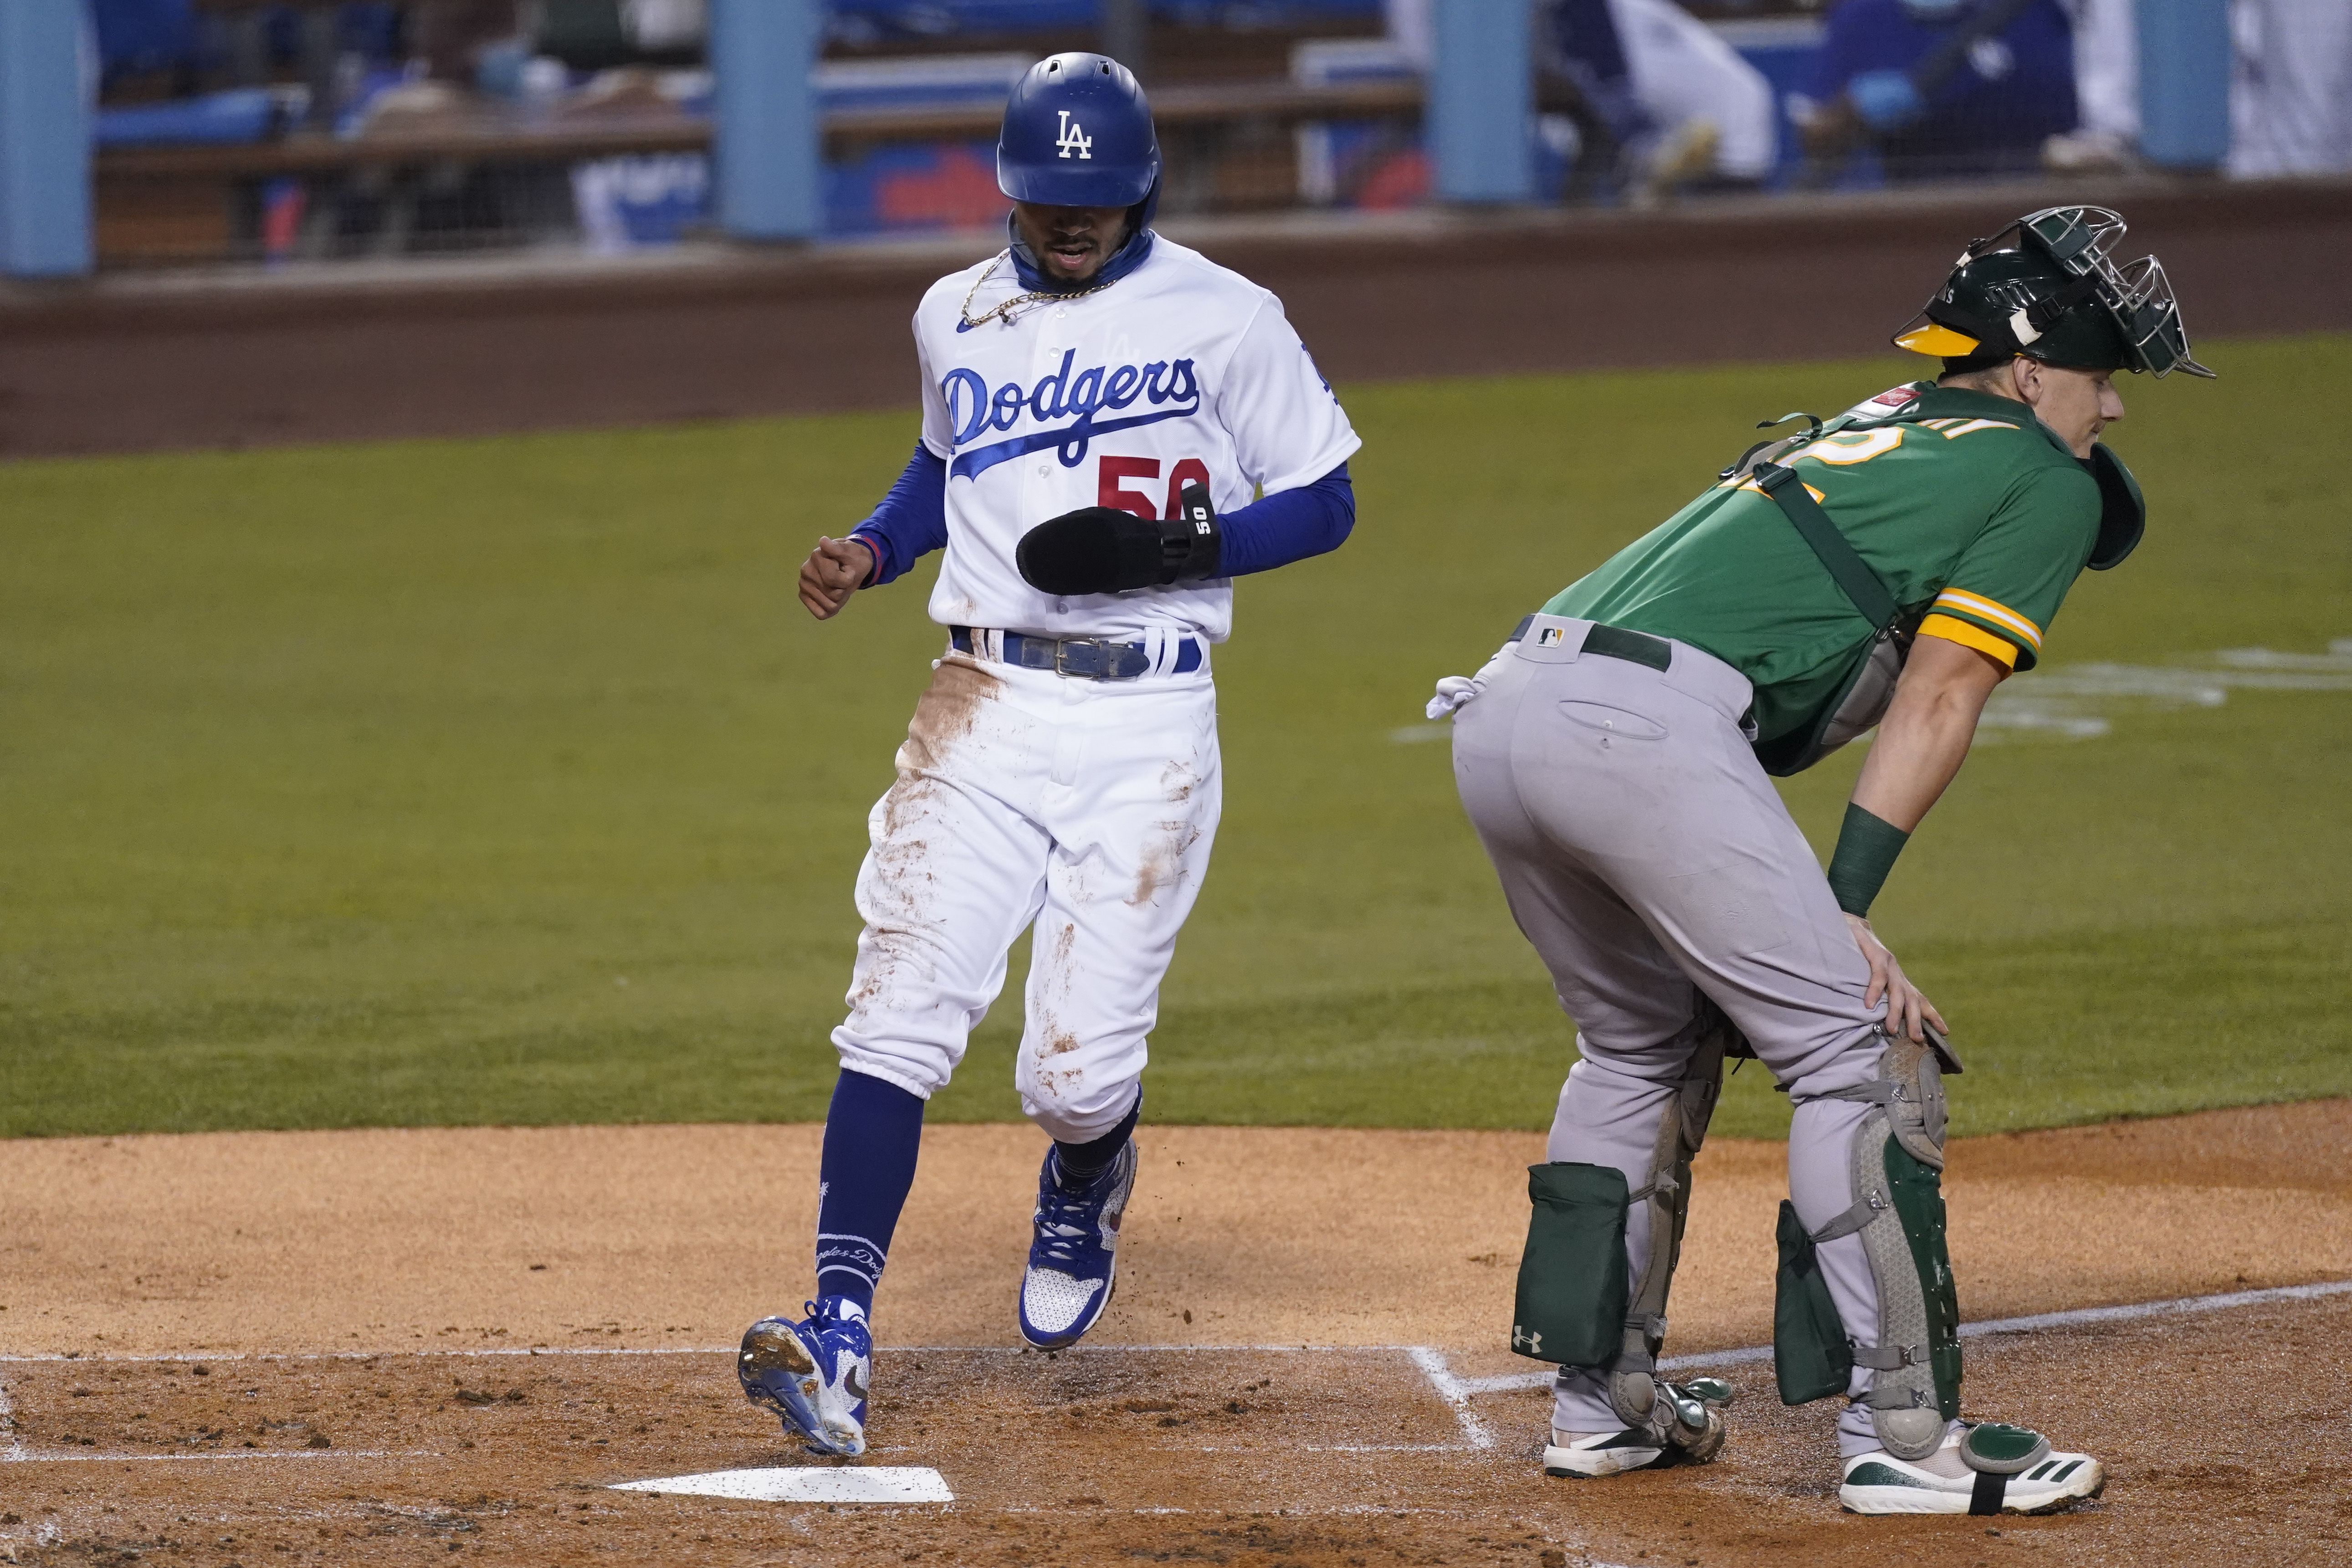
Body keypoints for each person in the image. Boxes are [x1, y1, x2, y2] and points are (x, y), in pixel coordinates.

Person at [1429, 206, 2209, 1514]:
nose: (2113, 410)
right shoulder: (2040, 476)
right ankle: (1905, 1435)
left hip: (1504, 705)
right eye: (2100, 376)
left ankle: (1599, 1404)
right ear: (2027, 373)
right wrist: (1842, 908)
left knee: (1639, 1048)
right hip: (1637, 732)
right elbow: (1940, 697)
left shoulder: (1894, 411)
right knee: (1863, 1049)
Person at [735, 53, 1361, 1458]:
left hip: (1148, 723)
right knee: (897, 1011)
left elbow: (1324, 503)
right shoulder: (952, 310)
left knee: (1073, 1078)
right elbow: (939, 463)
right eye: (1045, 197)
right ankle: (837, 1335)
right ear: (1006, 185)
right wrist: (877, 546)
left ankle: (1084, 1173)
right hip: (982, 703)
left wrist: (1174, 547)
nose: (1069, 222)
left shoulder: (1225, 315)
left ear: (1142, 184)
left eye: (1095, 198)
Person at [1797, 0, 2077, 180]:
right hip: (1917, 213)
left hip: (2032, 207)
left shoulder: (2043, 11)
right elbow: (1817, 144)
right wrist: (1854, 110)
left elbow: (2086, 132)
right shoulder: (1863, 14)